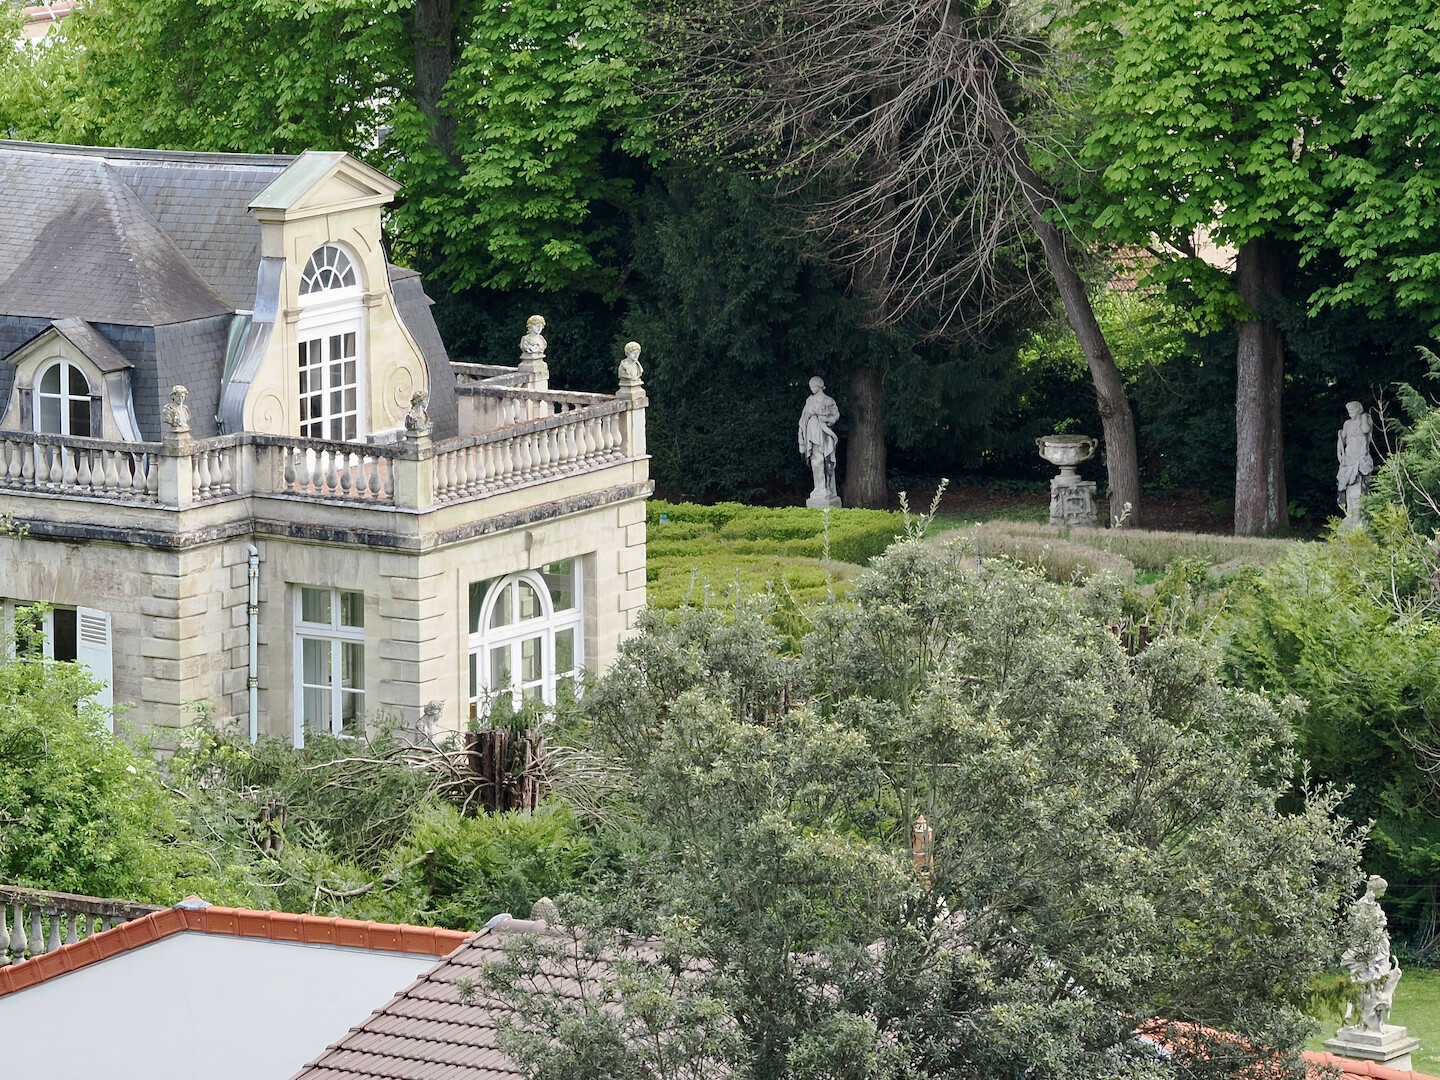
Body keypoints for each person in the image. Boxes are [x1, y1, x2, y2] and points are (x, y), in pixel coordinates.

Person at [798, 377, 840, 507]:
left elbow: (836, 415)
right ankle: (819, 488)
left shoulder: (829, 400)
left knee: (827, 461)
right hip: (812, 431)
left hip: (825, 432)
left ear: (820, 386)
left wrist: (827, 419)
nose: (812, 387)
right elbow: (803, 420)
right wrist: (802, 441)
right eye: (810, 385)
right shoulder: (809, 401)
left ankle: (827, 487)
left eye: (814, 385)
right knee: (816, 460)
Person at [1337, 400, 1374, 519]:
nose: (1350, 413)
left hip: (1361, 458)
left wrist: (1363, 417)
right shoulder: (1347, 424)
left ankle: (1360, 515)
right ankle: (1351, 514)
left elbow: (1366, 430)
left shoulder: (1366, 419)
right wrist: (1339, 454)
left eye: (1352, 410)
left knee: (1361, 486)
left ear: (1358, 409)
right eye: (1348, 411)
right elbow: (1341, 439)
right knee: (1347, 485)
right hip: (1349, 459)